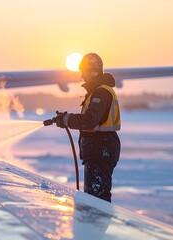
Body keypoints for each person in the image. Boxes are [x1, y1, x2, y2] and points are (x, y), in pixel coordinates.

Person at [54, 53, 121, 202]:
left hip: (101, 149)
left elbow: (89, 120)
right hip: (98, 148)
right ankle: (94, 223)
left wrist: (67, 119)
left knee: (97, 198)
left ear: (93, 71)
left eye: (84, 71)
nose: (82, 75)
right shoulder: (97, 92)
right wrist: (67, 119)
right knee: (94, 196)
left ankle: (96, 224)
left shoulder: (101, 93)